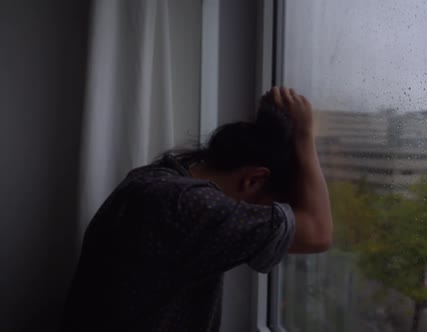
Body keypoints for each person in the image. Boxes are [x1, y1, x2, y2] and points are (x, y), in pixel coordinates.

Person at [60, 87, 333, 332]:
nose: (258, 215)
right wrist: (304, 136)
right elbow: (318, 233)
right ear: (254, 179)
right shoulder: (192, 206)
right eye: (266, 206)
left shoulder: (156, 178)